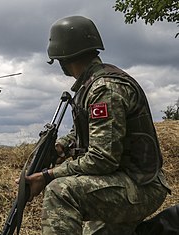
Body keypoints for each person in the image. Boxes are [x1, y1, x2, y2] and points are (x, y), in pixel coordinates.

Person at [25, 15, 171, 235]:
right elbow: (84, 133)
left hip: (140, 185)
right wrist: (60, 147)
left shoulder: (104, 89)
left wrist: (48, 175)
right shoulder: (91, 85)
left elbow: (102, 159)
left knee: (60, 191)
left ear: (64, 55)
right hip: (123, 181)